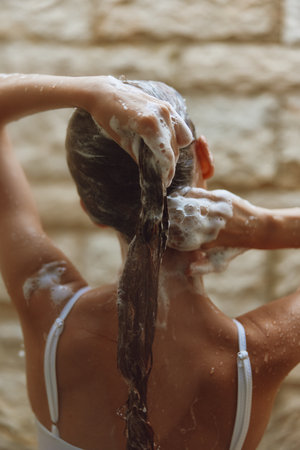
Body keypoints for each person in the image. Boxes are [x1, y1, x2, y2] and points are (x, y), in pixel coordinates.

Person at [0, 73, 299, 450]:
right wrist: (269, 227)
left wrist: (95, 91)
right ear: (203, 160)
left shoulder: (48, 308)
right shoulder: (259, 354)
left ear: (92, 209)